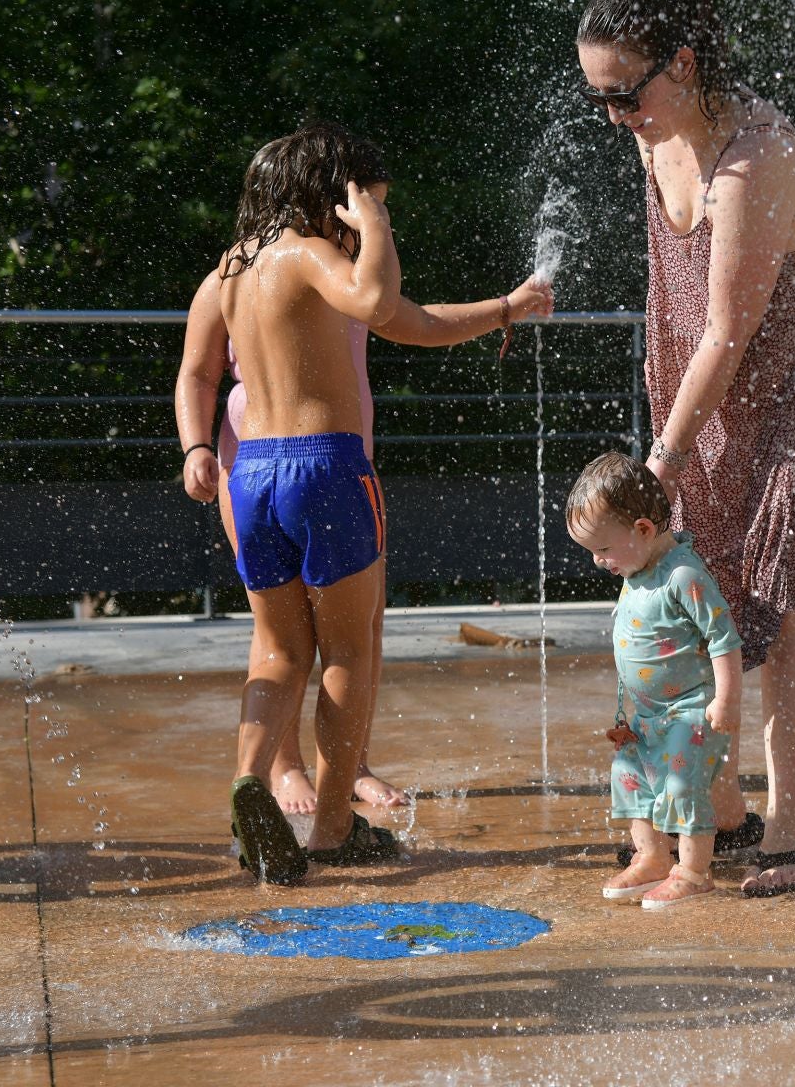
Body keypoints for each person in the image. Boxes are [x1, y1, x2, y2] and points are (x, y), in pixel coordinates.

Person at [575, 0, 795, 896]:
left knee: (791, 597)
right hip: (704, 380)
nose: (613, 116)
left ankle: (791, 834)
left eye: (623, 93)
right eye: (597, 97)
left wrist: (661, 459)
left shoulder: (754, 157)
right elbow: (686, 307)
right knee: (702, 586)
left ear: (681, 65)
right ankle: (718, 812)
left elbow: (732, 326)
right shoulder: (654, 135)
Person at [178, 272, 553, 820]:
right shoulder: (230, 278)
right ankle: (284, 767)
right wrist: (194, 445)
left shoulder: (338, 271)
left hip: (341, 460)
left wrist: (504, 308)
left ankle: (351, 764)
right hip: (257, 459)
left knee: (361, 627)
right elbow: (196, 371)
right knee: (283, 632)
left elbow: (416, 316)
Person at [174, 120, 401, 884]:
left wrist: (196, 447)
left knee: (277, 649)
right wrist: (373, 226)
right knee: (349, 648)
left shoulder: (228, 271)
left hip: (254, 473)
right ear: (328, 194)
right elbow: (375, 297)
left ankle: (249, 779)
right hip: (327, 468)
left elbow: (194, 372)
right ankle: (334, 832)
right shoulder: (310, 256)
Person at [567, 451, 742, 911]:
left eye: (602, 549)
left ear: (643, 530)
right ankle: (650, 855)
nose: (597, 561)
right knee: (630, 779)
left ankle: (694, 872)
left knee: (683, 788)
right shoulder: (636, 567)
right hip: (645, 715)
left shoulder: (683, 576)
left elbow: (723, 638)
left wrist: (726, 700)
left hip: (689, 708)